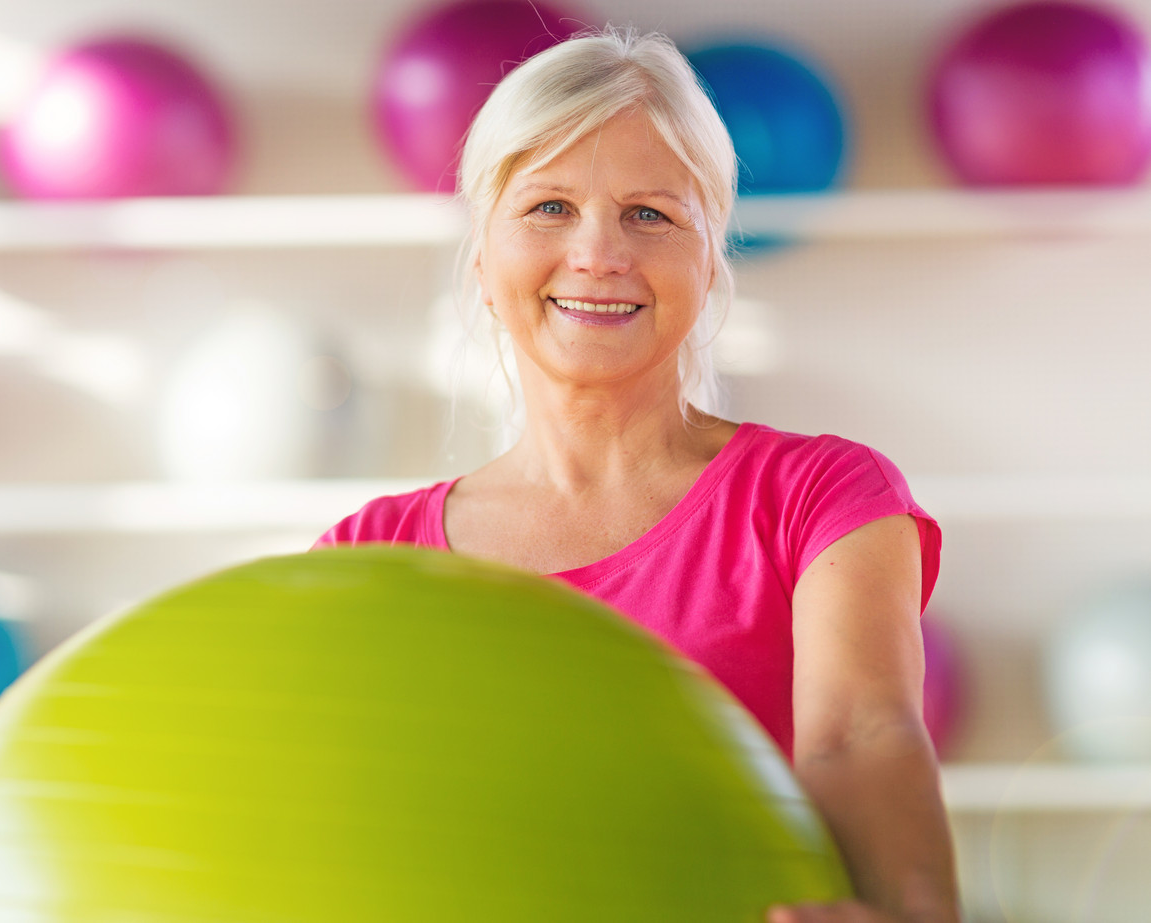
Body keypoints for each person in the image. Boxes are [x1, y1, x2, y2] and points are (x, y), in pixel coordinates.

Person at [316, 26, 960, 923]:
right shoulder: (365, 555)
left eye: (650, 214)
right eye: (548, 208)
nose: (598, 254)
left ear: (709, 258)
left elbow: (860, 736)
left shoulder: (822, 497)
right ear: (481, 257)